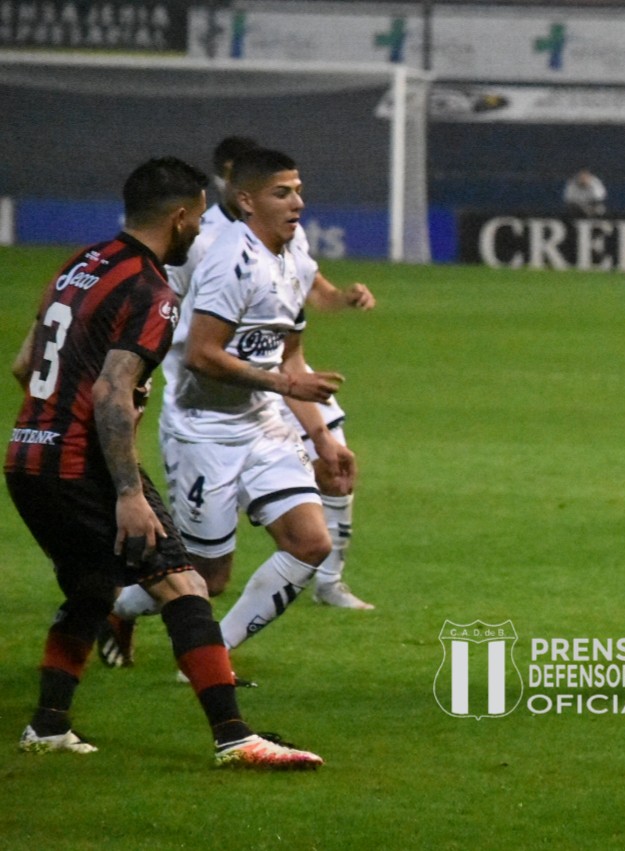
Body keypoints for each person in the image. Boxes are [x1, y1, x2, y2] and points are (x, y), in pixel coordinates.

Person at [5, 156, 322, 768]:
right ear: (179, 218)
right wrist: (128, 492)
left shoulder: (80, 264)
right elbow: (110, 391)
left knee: (92, 588)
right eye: (198, 219)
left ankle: (47, 726)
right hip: (81, 462)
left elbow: (25, 364)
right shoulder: (153, 291)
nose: (200, 231)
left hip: (26, 455)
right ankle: (235, 738)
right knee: (185, 582)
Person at [99, 139, 375, 669]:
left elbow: (290, 358)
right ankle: (120, 607)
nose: (297, 202)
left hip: (263, 424)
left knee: (310, 543)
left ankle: (210, 657)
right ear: (247, 200)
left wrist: (322, 439)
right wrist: (283, 386)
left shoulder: (293, 259)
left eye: (298, 190)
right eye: (281, 193)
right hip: (202, 430)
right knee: (208, 577)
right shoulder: (230, 262)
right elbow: (202, 355)